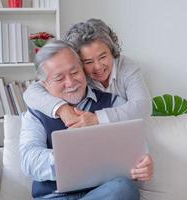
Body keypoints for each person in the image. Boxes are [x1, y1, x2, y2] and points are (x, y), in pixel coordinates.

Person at [20, 40, 153, 200]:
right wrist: (70, 158)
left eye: (75, 72)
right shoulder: (36, 112)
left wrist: (144, 163)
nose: (70, 83)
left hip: (104, 192)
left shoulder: (114, 103)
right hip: (53, 196)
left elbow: (136, 147)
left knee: (124, 188)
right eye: (59, 78)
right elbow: (29, 160)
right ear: (45, 84)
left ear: (83, 70)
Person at [23, 18, 152, 128]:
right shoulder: (77, 75)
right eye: (88, 61)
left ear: (112, 51)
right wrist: (62, 109)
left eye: (102, 57)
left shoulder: (127, 67)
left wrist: (96, 119)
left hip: (122, 128)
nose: (98, 67)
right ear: (78, 61)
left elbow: (143, 106)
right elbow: (31, 92)